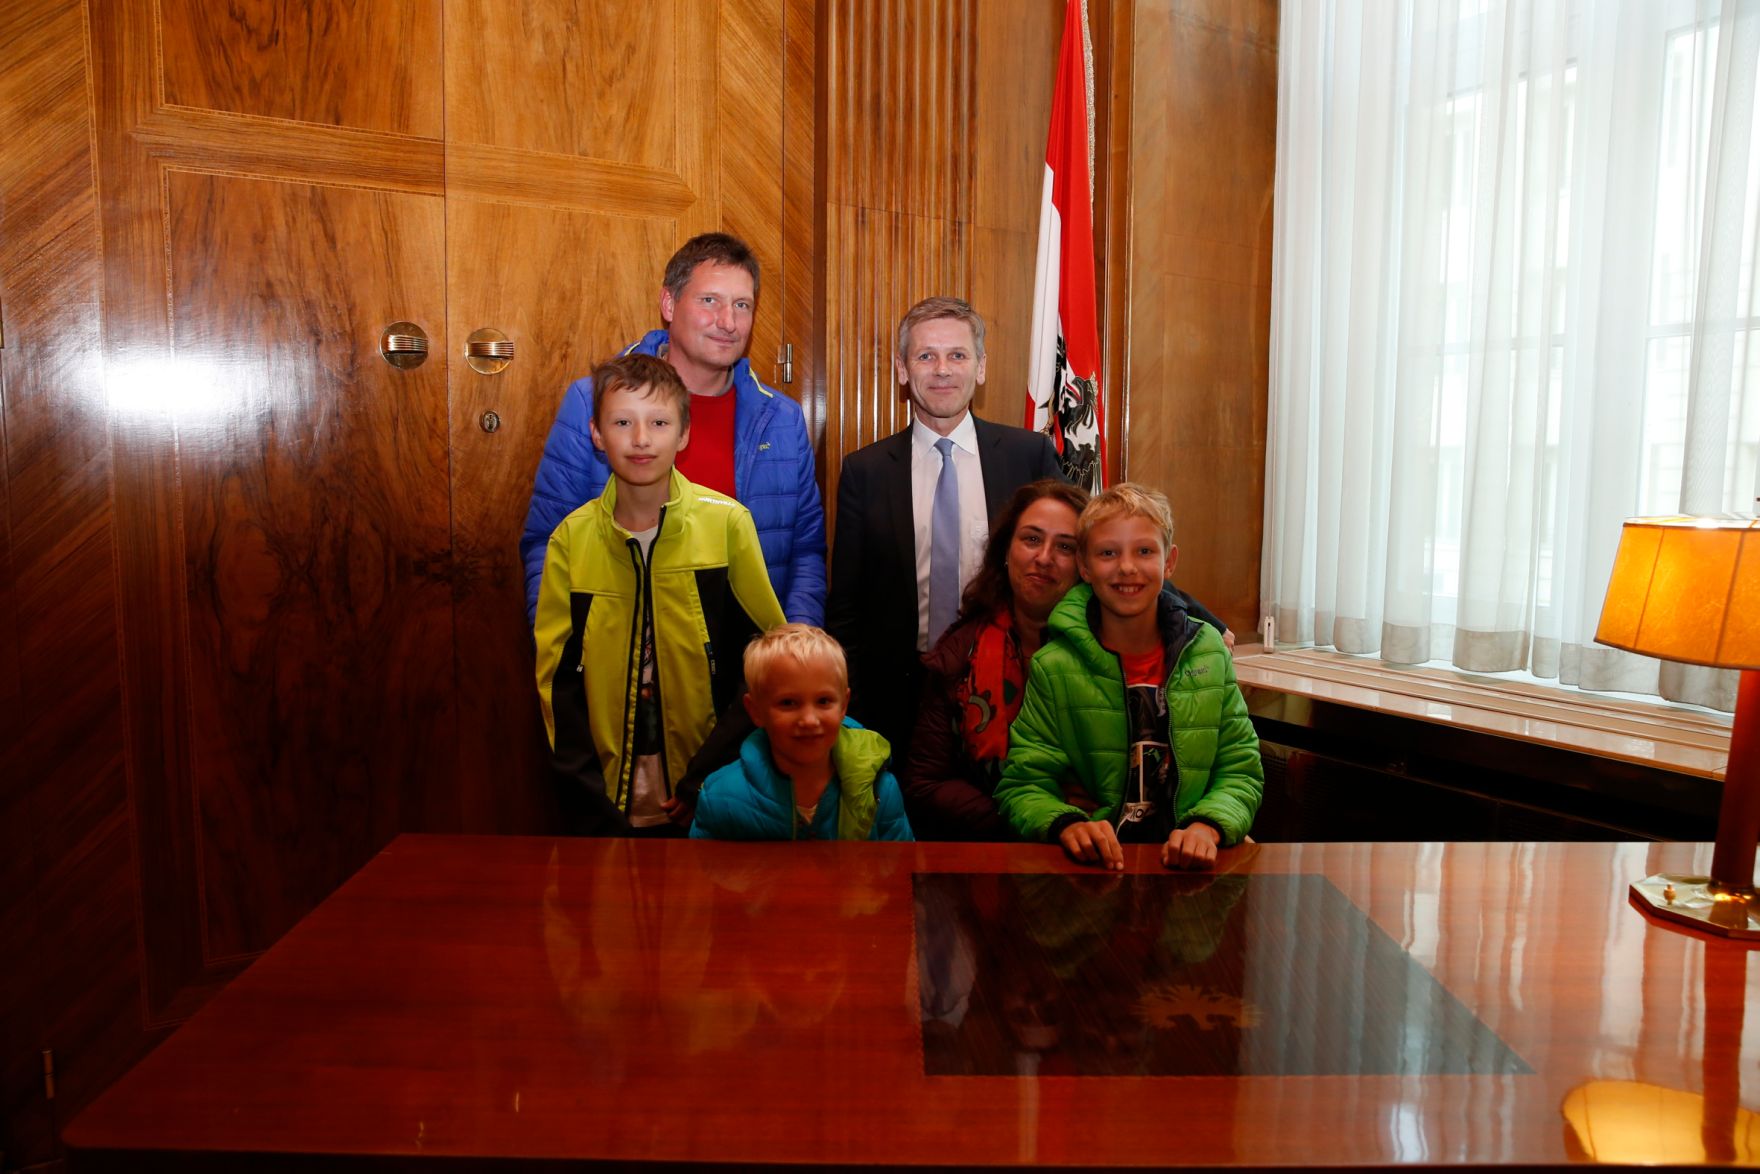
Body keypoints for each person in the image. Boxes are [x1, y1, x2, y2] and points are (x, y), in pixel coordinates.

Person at [535, 354, 786, 835]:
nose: (641, 439)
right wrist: (585, 791)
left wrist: (707, 778)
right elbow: (556, 681)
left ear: (684, 433)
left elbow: (765, 660)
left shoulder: (728, 524)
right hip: (603, 795)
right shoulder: (571, 538)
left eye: (659, 422)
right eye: (622, 422)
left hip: (709, 788)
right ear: (596, 433)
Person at [522, 233, 826, 626]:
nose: (728, 322)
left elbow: (805, 550)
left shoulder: (783, 419)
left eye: (742, 305)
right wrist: (564, 656)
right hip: (622, 659)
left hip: (751, 671)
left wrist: (796, 647)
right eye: (709, 301)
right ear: (669, 303)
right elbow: (547, 541)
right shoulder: (591, 400)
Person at [908, 479, 1232, 840]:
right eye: (1031, 539)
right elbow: (929, 782)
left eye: (1065, 545)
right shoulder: (962, 654)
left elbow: (1231, 767)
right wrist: (1052, 817)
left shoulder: (1171, 646)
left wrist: (1210, 823)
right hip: (1004, 844)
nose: (1044, 558)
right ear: (1005, 549)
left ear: (1082, 564)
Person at [826, 297, 1064, 760]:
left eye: (957, 355)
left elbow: (1089, 551)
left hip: (1011, 684)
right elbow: (846, 605)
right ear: (902, 369)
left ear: (980, 368)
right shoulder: (865, 471)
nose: (942, 370)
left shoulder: (1027, 456)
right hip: (896, 696)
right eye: (925, 356)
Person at [993, 484, 1262, 870]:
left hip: (1187, 877)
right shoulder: (1055, 667)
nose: (1127, 567)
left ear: (1169, 563)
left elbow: (1239, 769)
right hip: (1094, 876)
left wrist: (1208, 825)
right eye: (1107, 553)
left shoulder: (1209, 654)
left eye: (1144, 551)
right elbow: (1023, 785)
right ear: (1084, 568)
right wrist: (1067, 824)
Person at [691, 624, 913, 841]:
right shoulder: (720, 797)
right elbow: (701, 875)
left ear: (843, 705)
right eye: (788, 703)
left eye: (823, 701)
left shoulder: (880, 790)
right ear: (756, 711)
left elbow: (900, 871)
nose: (809, 720)